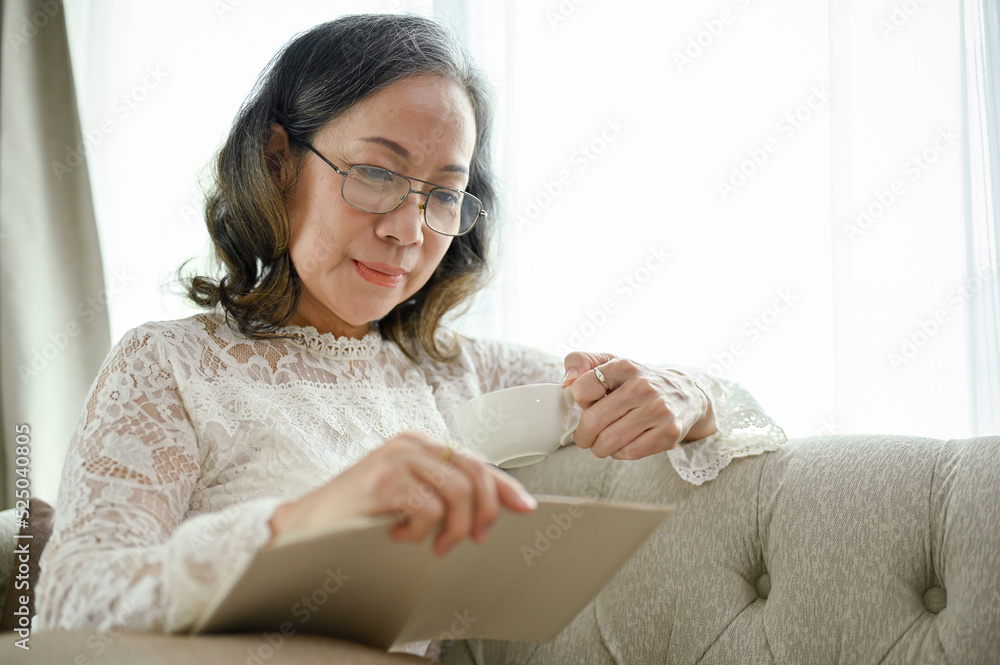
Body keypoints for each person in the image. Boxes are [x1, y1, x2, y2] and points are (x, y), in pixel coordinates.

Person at [34, 12, 785, 657]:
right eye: (375, 174)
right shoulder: (171, 365)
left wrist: (692, 395)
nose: (406, 230)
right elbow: (70, 603)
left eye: (444, 196)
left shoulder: (456, 373)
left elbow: (760, 421)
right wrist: (308, 521)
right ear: (277, 159)